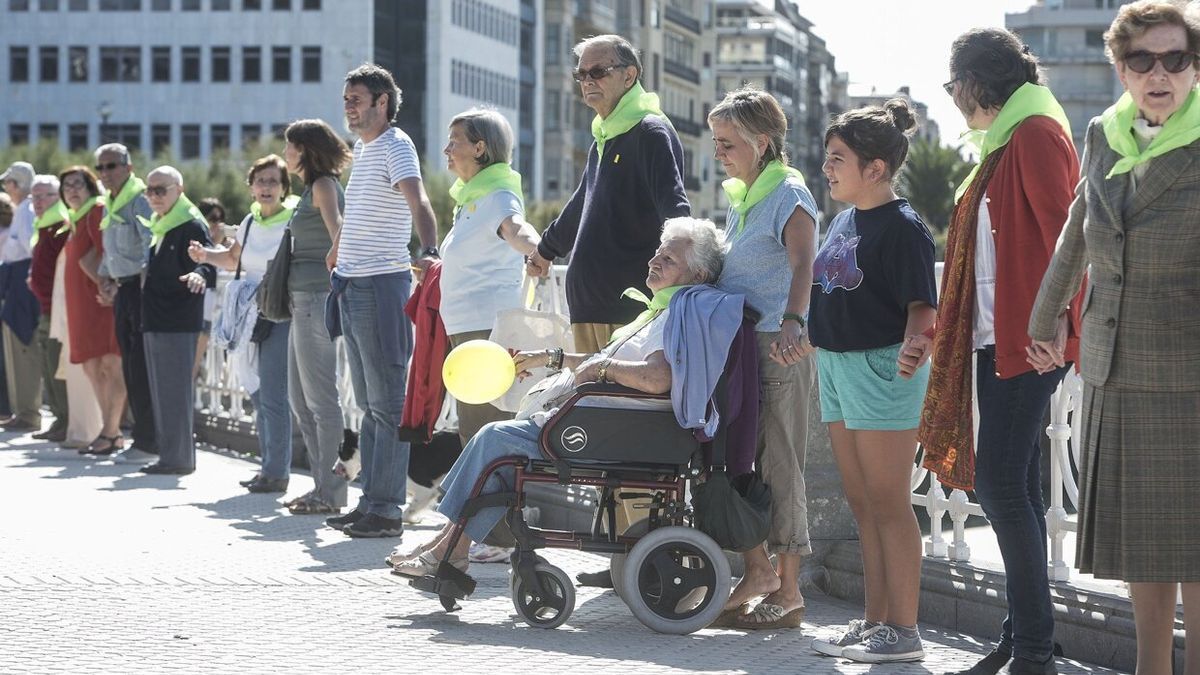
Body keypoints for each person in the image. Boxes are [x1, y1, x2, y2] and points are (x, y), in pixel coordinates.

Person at [390, 217, 724, 577]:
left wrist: (603, 368)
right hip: (598, 423)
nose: (653, 261)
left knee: (494, 440)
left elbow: (657, 377)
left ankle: (449, 548)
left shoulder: (676, 316)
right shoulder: (661, 312)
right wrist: (550, 358)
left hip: (604, 430)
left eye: (668, 259)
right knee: (498, 452)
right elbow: (604, 361)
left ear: (698, 274)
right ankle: (449, 545)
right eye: (657, 253)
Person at [899, 29, 1081, 675]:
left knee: (1001, 486)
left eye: (953, 84)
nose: (952, 96)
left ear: (976, 82)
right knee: (1018, 487)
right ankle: (1024, 636)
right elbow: (980, 261)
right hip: (997, 340)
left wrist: (1058, 325)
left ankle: (1033, 649)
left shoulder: (1034, 132)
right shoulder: (1006, 138)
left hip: (1029, 343)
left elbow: (1067, 239)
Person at [1026, 3, 1200, 674]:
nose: (1159, 74)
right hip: (1113, 366)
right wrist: (1046, 318)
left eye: (1175, 59)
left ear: (1194, 67)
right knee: (1142, 548)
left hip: (1189, 371)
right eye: (1142, 60)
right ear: (1121, 69)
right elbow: (1079, 227)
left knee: (1196, 552)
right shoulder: (1103, 132)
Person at [526, 34, 690, 586]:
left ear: (629, 74)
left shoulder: (649, 131)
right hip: (591, 303)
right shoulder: (606, 134)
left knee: (628, 431)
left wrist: (681, 274)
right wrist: (546, 248)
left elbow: (674, 208)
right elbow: (582, 204)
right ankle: (621, 554)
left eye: (598, 71)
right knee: (602, 432)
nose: (587, 82)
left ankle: (640, 556)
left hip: (629, 308)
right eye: (581, 74)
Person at [804, 101, 936, 663]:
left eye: (838, 159)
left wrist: (915, 344)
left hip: (882, 368)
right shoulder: (845, 219)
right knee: (862, 502)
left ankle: (904, 631)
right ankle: (876, 621)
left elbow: (922, 306)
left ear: (875, 168)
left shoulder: (905, 228)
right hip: (837, 367)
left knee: (888, 501)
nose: (827, 168)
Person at [705, 88, 819, 631]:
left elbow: (804, 264)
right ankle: (760, 573)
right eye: (716, 143)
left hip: (778, 345)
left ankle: (789, 591)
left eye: (727, 143)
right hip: (745, 348)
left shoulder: (788, 192)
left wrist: (794, 322)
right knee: (742, 462)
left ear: (763, 141)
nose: (719, 153)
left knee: (781, 467)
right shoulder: (747, 196)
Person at [322, 64, 439, 539]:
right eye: (346, 99)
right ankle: (372, 502)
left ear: (382, 102)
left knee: (388, 403)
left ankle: (387, 511)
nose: (348, 107)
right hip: (352, 285)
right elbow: (359, 212)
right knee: (370, 405)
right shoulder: (365, 149)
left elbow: (420, 202)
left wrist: (429, 249)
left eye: (356, 99)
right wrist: (337, 248)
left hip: (381, 285)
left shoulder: (396, 144)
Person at [189, 156, 295, 494]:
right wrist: (206, 256)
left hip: (281, 312)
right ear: (251, 187)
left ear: (284, 188)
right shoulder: (250, 221)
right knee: (258, 392)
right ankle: (269, 467)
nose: (266, 187)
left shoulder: (293, 220)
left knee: (273, 393)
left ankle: (276, 472)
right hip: (250, 313)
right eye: (260, 181)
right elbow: (233, 259)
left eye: (273, 181)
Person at [440, 109, 541, 446]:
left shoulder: (498, 195)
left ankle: (492, 484)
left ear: (480, 148)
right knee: (473, 429)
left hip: (486, 327)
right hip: (468, 325)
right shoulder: (473, 198)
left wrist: (540, 250)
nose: (446, 149)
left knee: (483, 432)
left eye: (454, 141)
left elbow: (516, 229)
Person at [280, 119, 351, 515]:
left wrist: (334, 266)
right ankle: (320, 486)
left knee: (321, 402)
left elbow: (339, 231)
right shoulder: (311, 189)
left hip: (316, 299)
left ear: (305, 150)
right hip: (300, 301)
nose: (285, 154)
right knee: (301, 402)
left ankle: (332, 494)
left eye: (289, 147)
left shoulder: (323, 185)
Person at [137, 166, 215, 476]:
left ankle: (179, 458)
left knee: (174, 392)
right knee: (162, 392)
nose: (154, 196)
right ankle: (170, 455)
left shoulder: (190, 223)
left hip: (177, 320)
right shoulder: (162, 223)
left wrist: (199, 274)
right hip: (157, 318)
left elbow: (207, 262)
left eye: (161, 190)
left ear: (179, 190)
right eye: (150, 190)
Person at [93, 143, 157, 465]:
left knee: (141, 368)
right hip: (123, 290)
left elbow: (150, 243)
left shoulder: (139, 198)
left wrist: (140, 284)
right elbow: (111, 248)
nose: (105, 173)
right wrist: (106, 278)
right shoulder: (112, 201)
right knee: (131, 366)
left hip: (139, 290)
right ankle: (141, 440)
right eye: (100, 168)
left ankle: (148, 443)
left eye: (112, 166)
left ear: (128, 168)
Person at [59, 166, 124, 456]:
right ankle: (110, 431)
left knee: (111, 365)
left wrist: (107, 287)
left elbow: (107, 252)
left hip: (100, 301)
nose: (72, 190)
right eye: (67, 186)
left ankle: (110, 430)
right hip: (81, 304)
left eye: (78, 184)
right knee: (91, 367)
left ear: (90, 187)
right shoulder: (75, 218)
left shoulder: (95, 211)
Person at [26, 175, 71, 443]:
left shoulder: (60, 226)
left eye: (44, 195)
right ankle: (59, 418)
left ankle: (66, 419)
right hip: (45, 306)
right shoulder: (43, 225)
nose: (38, 201)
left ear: (58, 197)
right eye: (35, 196)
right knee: (47, 363)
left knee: (56, 365)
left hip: (58, 309)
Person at [0, 161, 44, 433]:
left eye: (8, 182)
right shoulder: (22, 210)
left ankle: (29, 413)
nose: (6, 187)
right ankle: (22, 411)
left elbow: (30, 250)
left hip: (23, 285)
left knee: (24, 348)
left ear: (16, 184)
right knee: (15, 350)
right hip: (17, 283)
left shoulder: (27, 211)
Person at [194, 197, 232, 380]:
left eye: (221, 219)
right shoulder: (197, 246)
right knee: (190, 367)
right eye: (214, 219)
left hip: (215, 316)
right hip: (197, 312)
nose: (219, 224)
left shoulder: (226, 248)